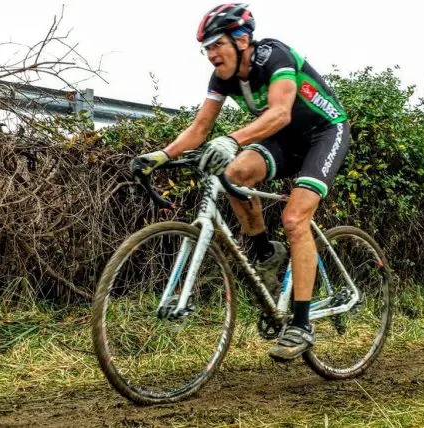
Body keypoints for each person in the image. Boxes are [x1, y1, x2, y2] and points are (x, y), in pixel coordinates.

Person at [131, 3, 351, 360]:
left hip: (323, 133)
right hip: (283, 141)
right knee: (233, 174)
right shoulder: (223, 78)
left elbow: (280, 112)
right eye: (206, 48)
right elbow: (201, 128)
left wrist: (232, 139)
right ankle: (266, 253)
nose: (211, 54)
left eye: (217, 44)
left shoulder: (273, 57)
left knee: (295, 219)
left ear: (242, 39)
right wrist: (162, 156)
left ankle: (301, 324)